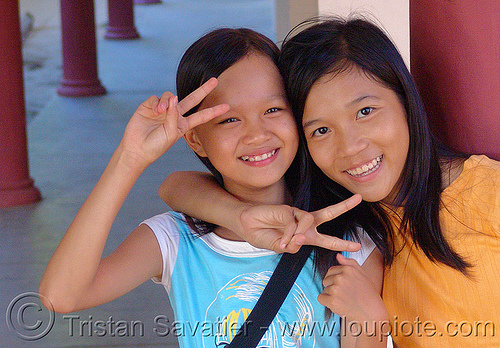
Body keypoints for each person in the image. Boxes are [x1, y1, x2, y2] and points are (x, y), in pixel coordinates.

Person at [159, 17, 500, 348]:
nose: (350, 147)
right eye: (320, 130)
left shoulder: (487, 194)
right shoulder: (344, 221)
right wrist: (239, 217)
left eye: (365, 111)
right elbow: (175, 187)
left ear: (405, 99)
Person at [39, 27, 390, 348]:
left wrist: (372, 322)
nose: (257, 134)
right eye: (230, 119)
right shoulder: (176, 241)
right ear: (195, 139)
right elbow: (61, 296)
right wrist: (129, 159)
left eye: (273, 109)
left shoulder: (348, 245)